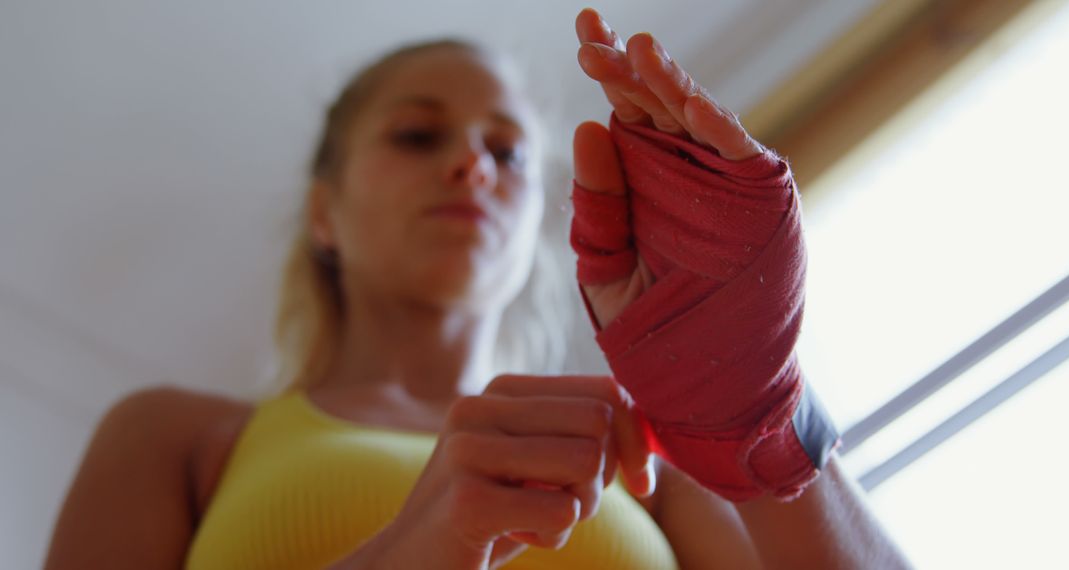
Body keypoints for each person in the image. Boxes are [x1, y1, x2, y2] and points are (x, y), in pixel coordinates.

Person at [45, 8, 911, 570]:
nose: (471, 163)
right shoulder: (179, 436)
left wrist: (761, 413)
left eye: (508, 153)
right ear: (324, 214)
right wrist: (413, 552)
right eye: (418, 134)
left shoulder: (649, 459)